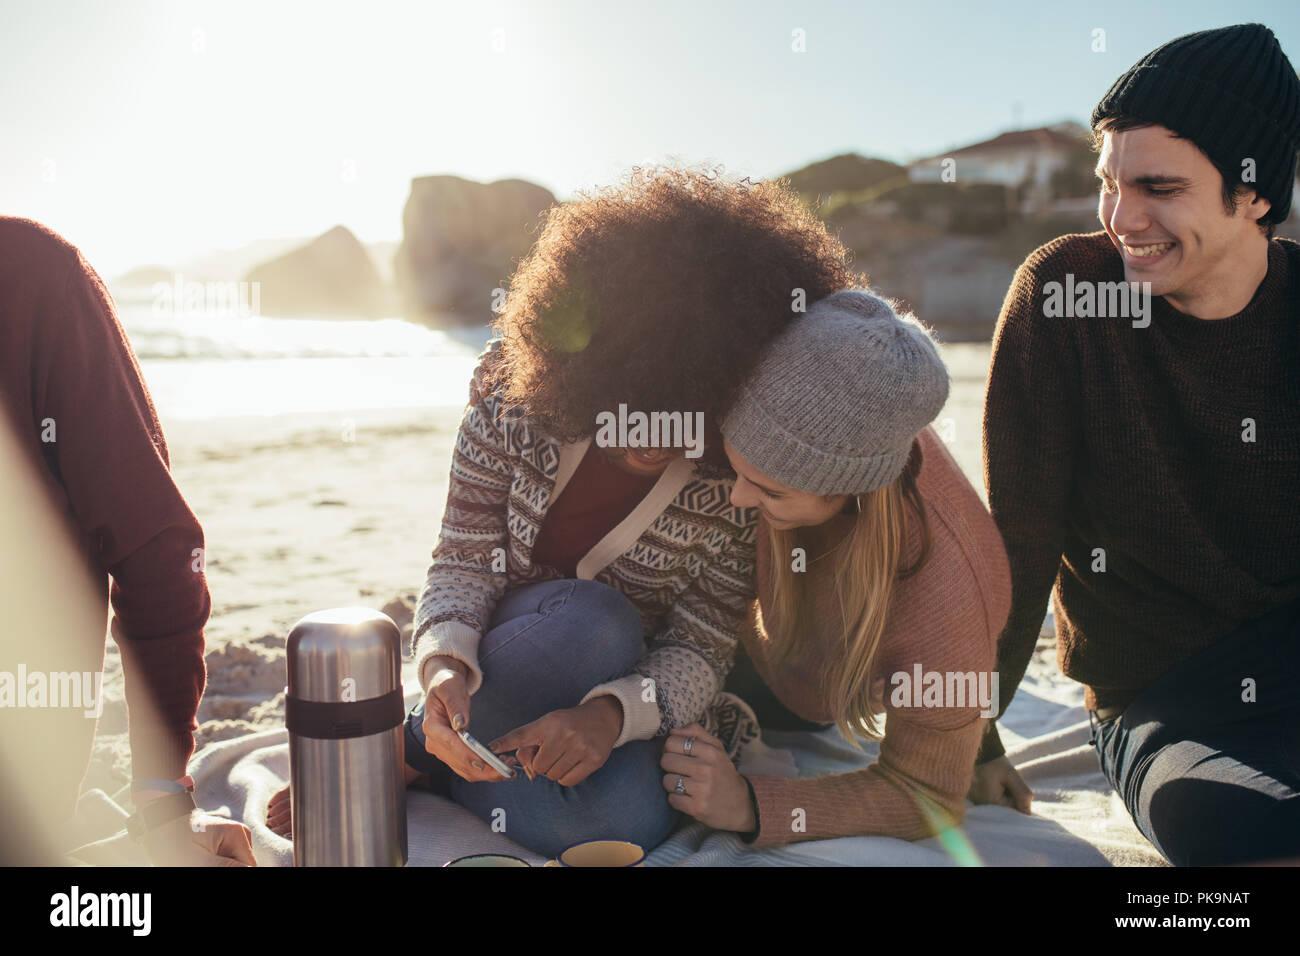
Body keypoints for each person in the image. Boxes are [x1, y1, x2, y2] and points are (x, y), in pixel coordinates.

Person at [268, 162, 866, 858]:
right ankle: (415, 741)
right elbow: (462, 563)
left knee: (621, 824)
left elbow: (701, 643)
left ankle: (447, 762)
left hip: (613, 691)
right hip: (519, 648)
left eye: (679, 413)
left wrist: (608, 719)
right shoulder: (508, 410)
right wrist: (442, 671)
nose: (645, 439)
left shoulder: (735, 483)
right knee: (594, 618)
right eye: (630, 407)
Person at [969, 23, 1300, 865]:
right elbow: (1018, 536)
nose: (1123, 219)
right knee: (1226, 826)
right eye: (1109, 184)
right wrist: (971, 734)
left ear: (1254, 192)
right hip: (1158, 693)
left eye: (1159, 187)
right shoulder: (1063, 296)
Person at [657, 288, 1012, 847]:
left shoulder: (945, 601)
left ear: (848, 493)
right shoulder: (838, 371)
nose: (736, 499)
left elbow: (928, 797)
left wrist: (749, 804)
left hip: (798, 690)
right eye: (735, 463)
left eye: (770, 490)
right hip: (714, 628)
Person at [0, 216, 255, 866]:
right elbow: (158, 554)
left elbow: (158, 555)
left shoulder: (32, 275)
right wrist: (161, 802)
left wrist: (161, 800)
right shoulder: (33, 270)